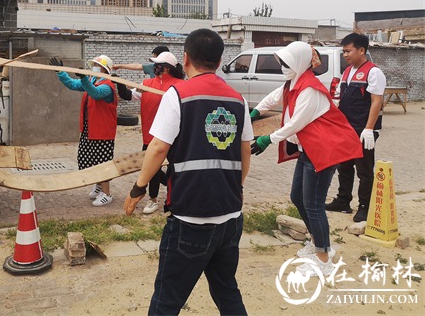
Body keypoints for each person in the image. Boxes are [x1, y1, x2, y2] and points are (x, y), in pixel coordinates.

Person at [124, 29, 252, 315]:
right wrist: (236, 187)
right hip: (230, 218)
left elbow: (157, 148)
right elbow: (245, 152)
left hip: (191, 219)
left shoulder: (178, 94)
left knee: (167, 298)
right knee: (227, 291)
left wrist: (138, 188)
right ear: (219, 61)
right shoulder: (238, 99)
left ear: (185, 58)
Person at [249, 41, 363, 277]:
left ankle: (323, 259)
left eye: (287, 63)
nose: (283, 67)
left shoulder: (309, 88)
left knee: (313, 204)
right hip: (309, 150)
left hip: (323, 151)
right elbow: (272, 99)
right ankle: (317, 241)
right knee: (297, 197)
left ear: (300, 63)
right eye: (282, 63)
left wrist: (267, 139)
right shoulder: (294, 83)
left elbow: (295, 123)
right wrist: (254, 112)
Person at [325, 33, 386, 222]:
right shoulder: (347, 72)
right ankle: (343, 200)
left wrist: (369, 129)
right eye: (343, 51)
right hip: (346, 128)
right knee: (344, 167)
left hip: (363, 130)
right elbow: (341, 99)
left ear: (362, 50)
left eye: (348, 51)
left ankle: (364, 207)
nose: (345, 55)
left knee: (365, 171)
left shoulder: (373, 72)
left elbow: (377, 102)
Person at [116, 51, 185, 214]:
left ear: (167, 68)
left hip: (175, 137)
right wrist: (118, 83)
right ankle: (153, 199)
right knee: (151, 166)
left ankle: (173, 196)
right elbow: (129, 95)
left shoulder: (179, 86)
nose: (154, 67)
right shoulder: (146, 84)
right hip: (151, 134)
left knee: (172, 168)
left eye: (158, 65)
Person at [50, 55, 117, 207]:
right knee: (90, 160)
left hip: (102, 131)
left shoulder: (108, 86)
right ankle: (99, 186)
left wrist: (85, 79)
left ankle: (107, 194)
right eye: (93, 64)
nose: (94, 67)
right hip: (90, 129)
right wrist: (61, 73)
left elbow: (96, 93)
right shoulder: (92, 81)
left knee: (102, 162)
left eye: (96, 65)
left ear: (104, 69)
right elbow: (73, 84)